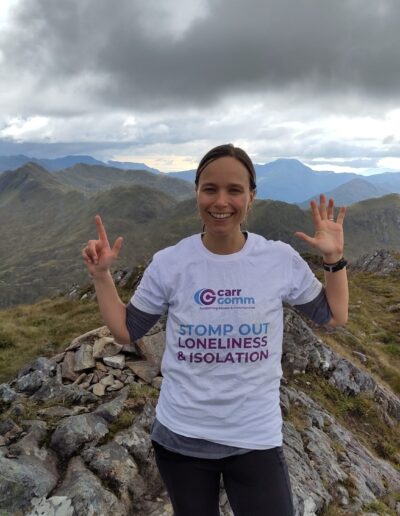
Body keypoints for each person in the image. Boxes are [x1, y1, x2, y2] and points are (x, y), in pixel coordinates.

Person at [82, 144, 348, 516]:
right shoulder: (170, 263)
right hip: (181, 439)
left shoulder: (278, 260)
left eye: (234, 190)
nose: (221, 201)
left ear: (251, 196)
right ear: (196, 193)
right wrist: (102, 277)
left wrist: (334, 260)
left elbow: (333, 316)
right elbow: (127, 330)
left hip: (255, 439)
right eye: (210, 189)